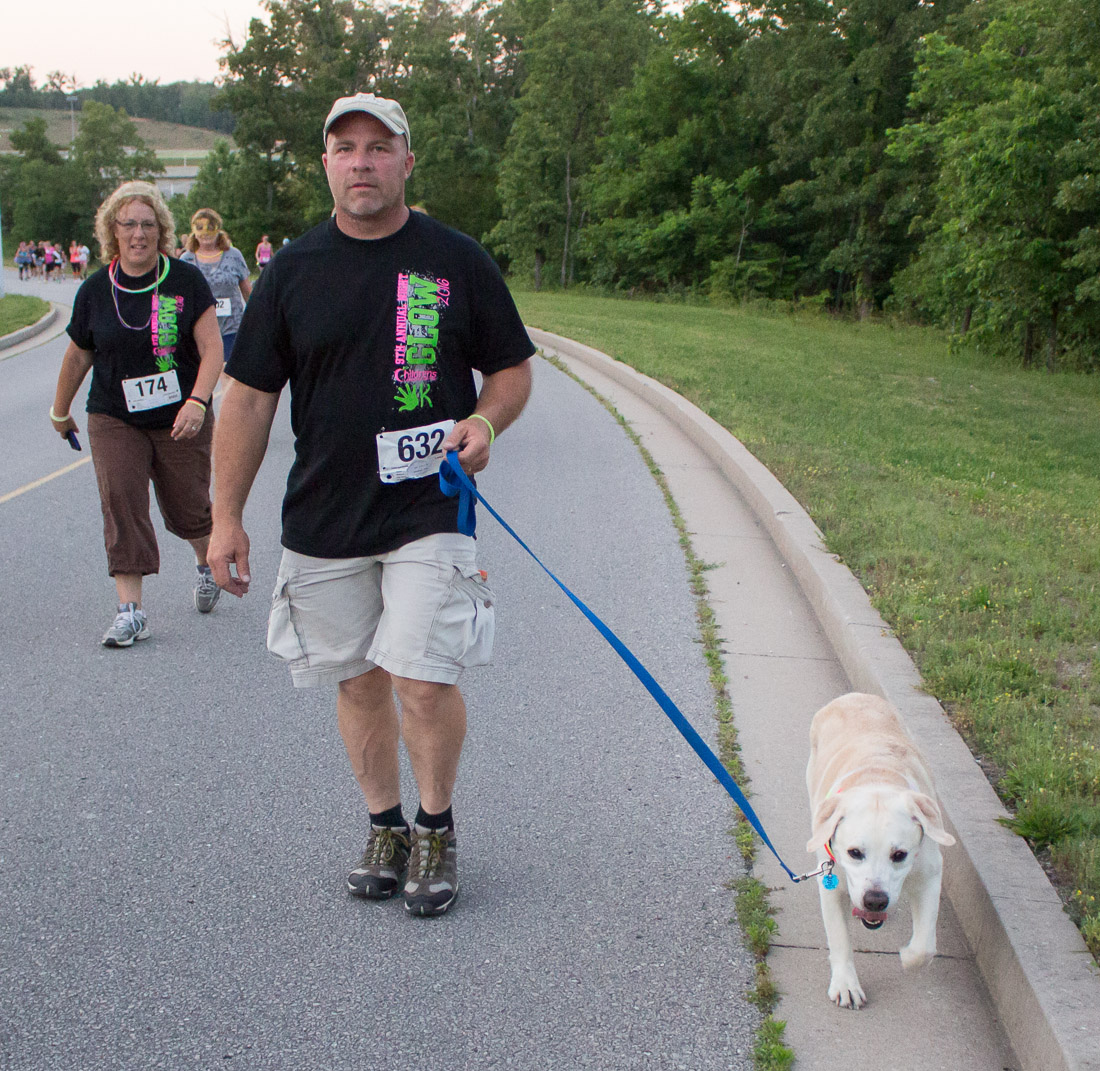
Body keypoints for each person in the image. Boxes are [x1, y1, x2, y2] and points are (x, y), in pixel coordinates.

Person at [208, 92, 534, 917]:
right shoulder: (291, 272)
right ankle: (384, 824)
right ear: (325, 163)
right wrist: (225, 516)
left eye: (379, 147)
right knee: (356, 681)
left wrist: (485, 421)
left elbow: (510, 367)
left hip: (429, 507)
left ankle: (435, 827)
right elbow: (248, 400)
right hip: (325, 515)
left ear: (406, 162)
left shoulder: (455, 260)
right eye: (346, 147)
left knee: (422, 676)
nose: (362, 161)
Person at [49, 180, 225, 647]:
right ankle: (131, 611)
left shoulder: (186, 281)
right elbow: (78, 355)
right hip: (114, 416)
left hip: (180, 416)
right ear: (113, 230)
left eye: (148, 224)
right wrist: (60, 410)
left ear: (161, 230)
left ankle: (205, 563)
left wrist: (198, 401)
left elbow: (212, 350)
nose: (139, 234)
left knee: (189, 507)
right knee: (122, 501)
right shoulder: (94, 290)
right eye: (128, 224)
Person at [179, 209, 252, 363]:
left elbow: (247, 291)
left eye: (211, 227)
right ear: (193, 231)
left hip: (232, 329)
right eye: (200, 228)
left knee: (229, 373)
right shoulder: (186, 259)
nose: (205, 232)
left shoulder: (234, 255)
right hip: (199, 332)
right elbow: (180, 297)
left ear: (218, 229)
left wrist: (258, 321)